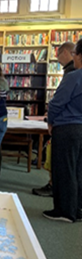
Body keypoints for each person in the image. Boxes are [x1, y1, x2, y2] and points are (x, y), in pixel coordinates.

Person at [43, 39, 82, 223]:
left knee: (64, 169)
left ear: (78, 56)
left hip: (67, 127)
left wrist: (50, 122)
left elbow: (57, 103)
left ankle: (65, 211)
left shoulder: (74, 77)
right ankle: (77, 208)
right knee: (78, 169)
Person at [33, 41, 76, 197]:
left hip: (66, 124)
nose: (57, 59)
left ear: (67, 53)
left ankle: (58, 192)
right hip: (73, 123)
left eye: (58, 54)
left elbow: (58, 101)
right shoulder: (72, 71)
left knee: (62, 163)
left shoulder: (72, 73)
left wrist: (50, 120)